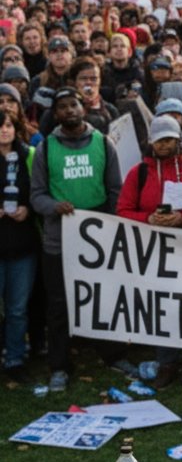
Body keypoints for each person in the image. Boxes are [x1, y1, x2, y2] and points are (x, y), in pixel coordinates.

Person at [30, 87, 123, 392]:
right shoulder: (46, 148)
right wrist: (54, 207)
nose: (69, 110)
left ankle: (111, 355)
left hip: (96, 240)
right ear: (55, 114)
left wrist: (108, 228)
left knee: (102, 299)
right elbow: (37, 196)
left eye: (74, 105)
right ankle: (59, 367)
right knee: (58, 306)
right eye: (63, 107)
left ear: (83, 108)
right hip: (59, 241)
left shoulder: (103, 143)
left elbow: (114, 192)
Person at [116, 114, 182, 390]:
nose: (165, 145)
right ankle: (166, 362)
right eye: (159, 140)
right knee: (162, 308)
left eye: (170, 139)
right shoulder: (139, 173)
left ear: (178, 140)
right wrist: (148, 219)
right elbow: (122, 210)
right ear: (151, 142)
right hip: (152, 254)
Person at [0, 109, 38, 384]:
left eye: (8, 125)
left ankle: (15, 358)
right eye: (0, 126)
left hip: (22, 243)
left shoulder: (28, 156)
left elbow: (40, 191)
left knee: (16, 307)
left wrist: (28, 210)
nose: (4, 131)